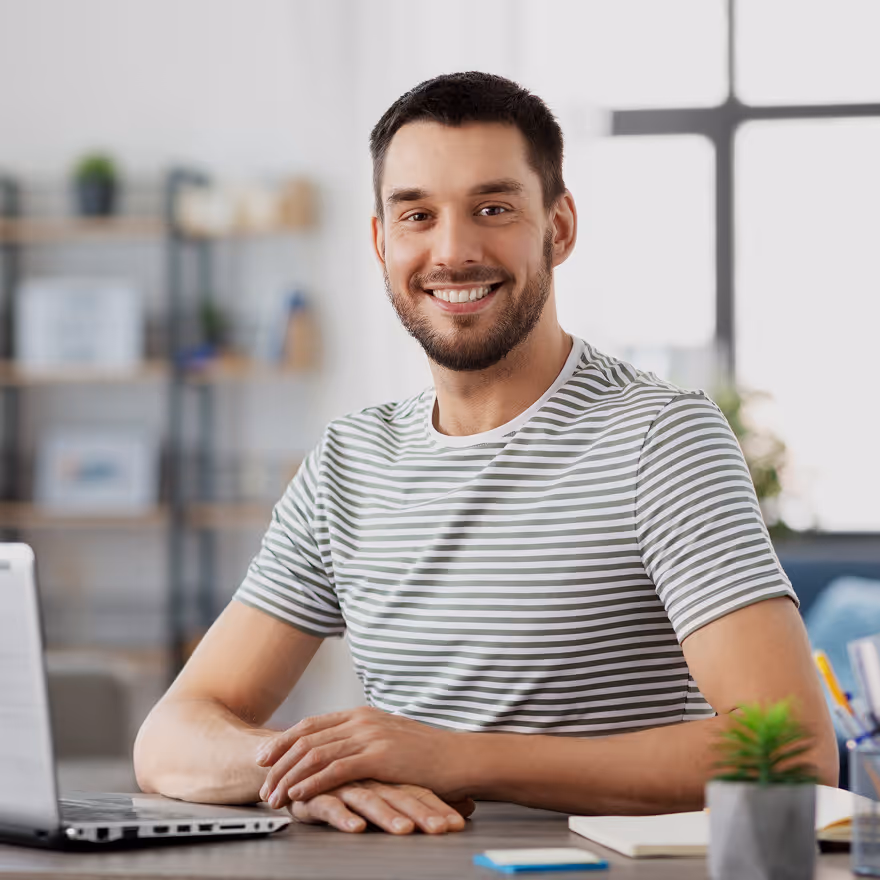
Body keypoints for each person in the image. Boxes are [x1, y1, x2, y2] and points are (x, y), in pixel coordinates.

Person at [134, 72, 837, 835]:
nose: (453, 250)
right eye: (417, 214)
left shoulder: (661, 440)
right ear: (381, 241)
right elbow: (172, 738)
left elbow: (792, 751)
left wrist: (459, 758)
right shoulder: (348, 462)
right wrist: (316, 773)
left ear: (559, 228)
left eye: (493, 209)